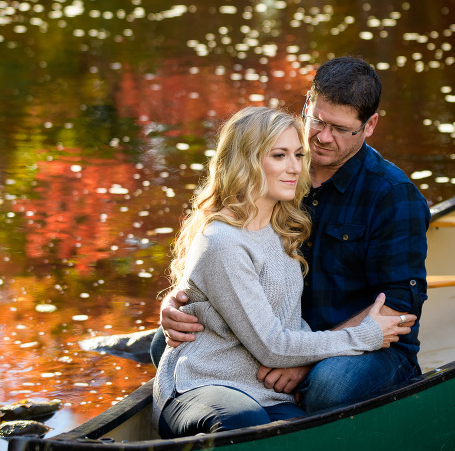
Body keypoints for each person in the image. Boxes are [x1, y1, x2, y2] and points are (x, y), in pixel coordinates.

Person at [156, 56, 430, 413]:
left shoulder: (393, 195)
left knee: (328, 384)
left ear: (370, 124)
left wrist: (305, 359)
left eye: (340, 128)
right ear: (306, 104)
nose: (322, 138)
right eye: (316, 120)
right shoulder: (278, 169)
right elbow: (220, 241)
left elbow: (400, 308)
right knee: (164, 343)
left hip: (369, 348)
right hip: (279, 334)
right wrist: (176, 301)